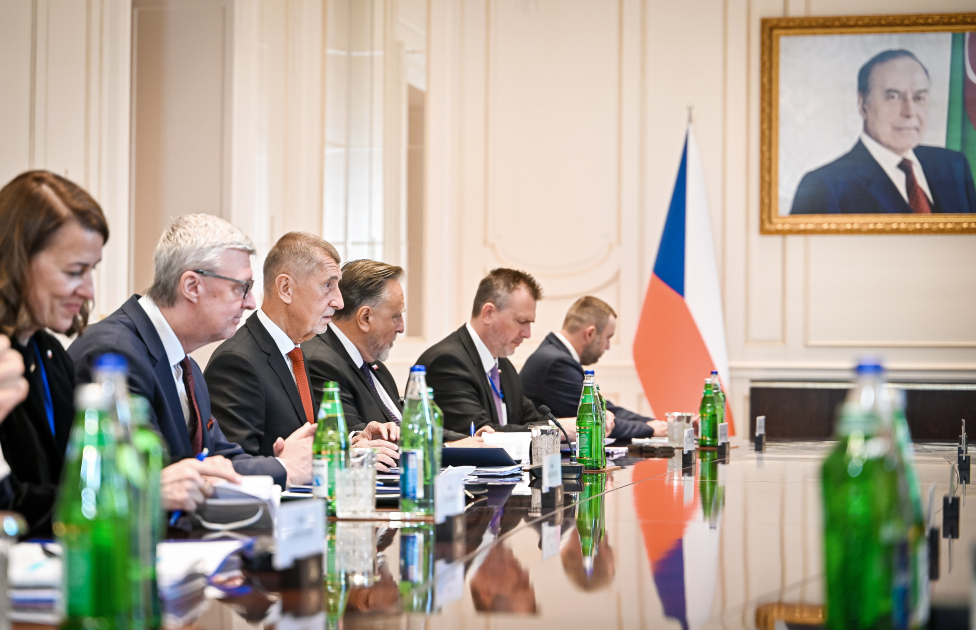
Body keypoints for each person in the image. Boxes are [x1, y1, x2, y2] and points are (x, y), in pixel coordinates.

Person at [0, 174, 236, 537]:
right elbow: (14, 504)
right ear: (18, 262)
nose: (89, 290)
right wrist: (141, 493)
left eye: (91, 270)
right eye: (74, 271)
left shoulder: (47, 354)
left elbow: (73, 486)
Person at [70, 214, 305, 490]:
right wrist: (285, 467)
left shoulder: (185, 365)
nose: (251, 303)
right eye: (242, 288)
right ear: (192, 286)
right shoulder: (116, 355)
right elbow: (141, 480)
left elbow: (217, 458)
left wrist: (284, 465)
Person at [301, 259, 488, 455]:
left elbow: (408, 429)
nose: (401, 327)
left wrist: (468, 440)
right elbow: (359, 442)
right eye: (396, 316)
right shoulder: (321, 363)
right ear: (365, 318)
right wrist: (448, 448)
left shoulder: (375, 367)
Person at [205, 232, 344, 473]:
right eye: (327, 286)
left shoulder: (295, 352)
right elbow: (233, 467)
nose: (339, 301)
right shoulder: (236, 362)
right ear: (286, 288)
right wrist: (283, 466)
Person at [791, 49, 976, 215]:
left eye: (919, 97)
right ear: (863, 104)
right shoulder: (823, 187)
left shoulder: (954, 166)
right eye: (893, 97)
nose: (910, 111)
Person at [415, 268, 584, 437]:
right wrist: (558, 429)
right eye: (521, 321)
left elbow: (532, 420)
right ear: (488, 313)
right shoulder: (447, 362)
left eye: (530, 323)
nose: (527, 333)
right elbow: (480, 434)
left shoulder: (504, 366)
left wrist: (563, 427)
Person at [520, 296, 665, 439]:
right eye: (607, 338)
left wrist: (650, 423)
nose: (608, 347)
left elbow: (604, 409)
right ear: (590, 333)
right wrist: (650, 429)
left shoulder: (554, 354)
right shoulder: (557, 363)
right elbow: (595, 417)